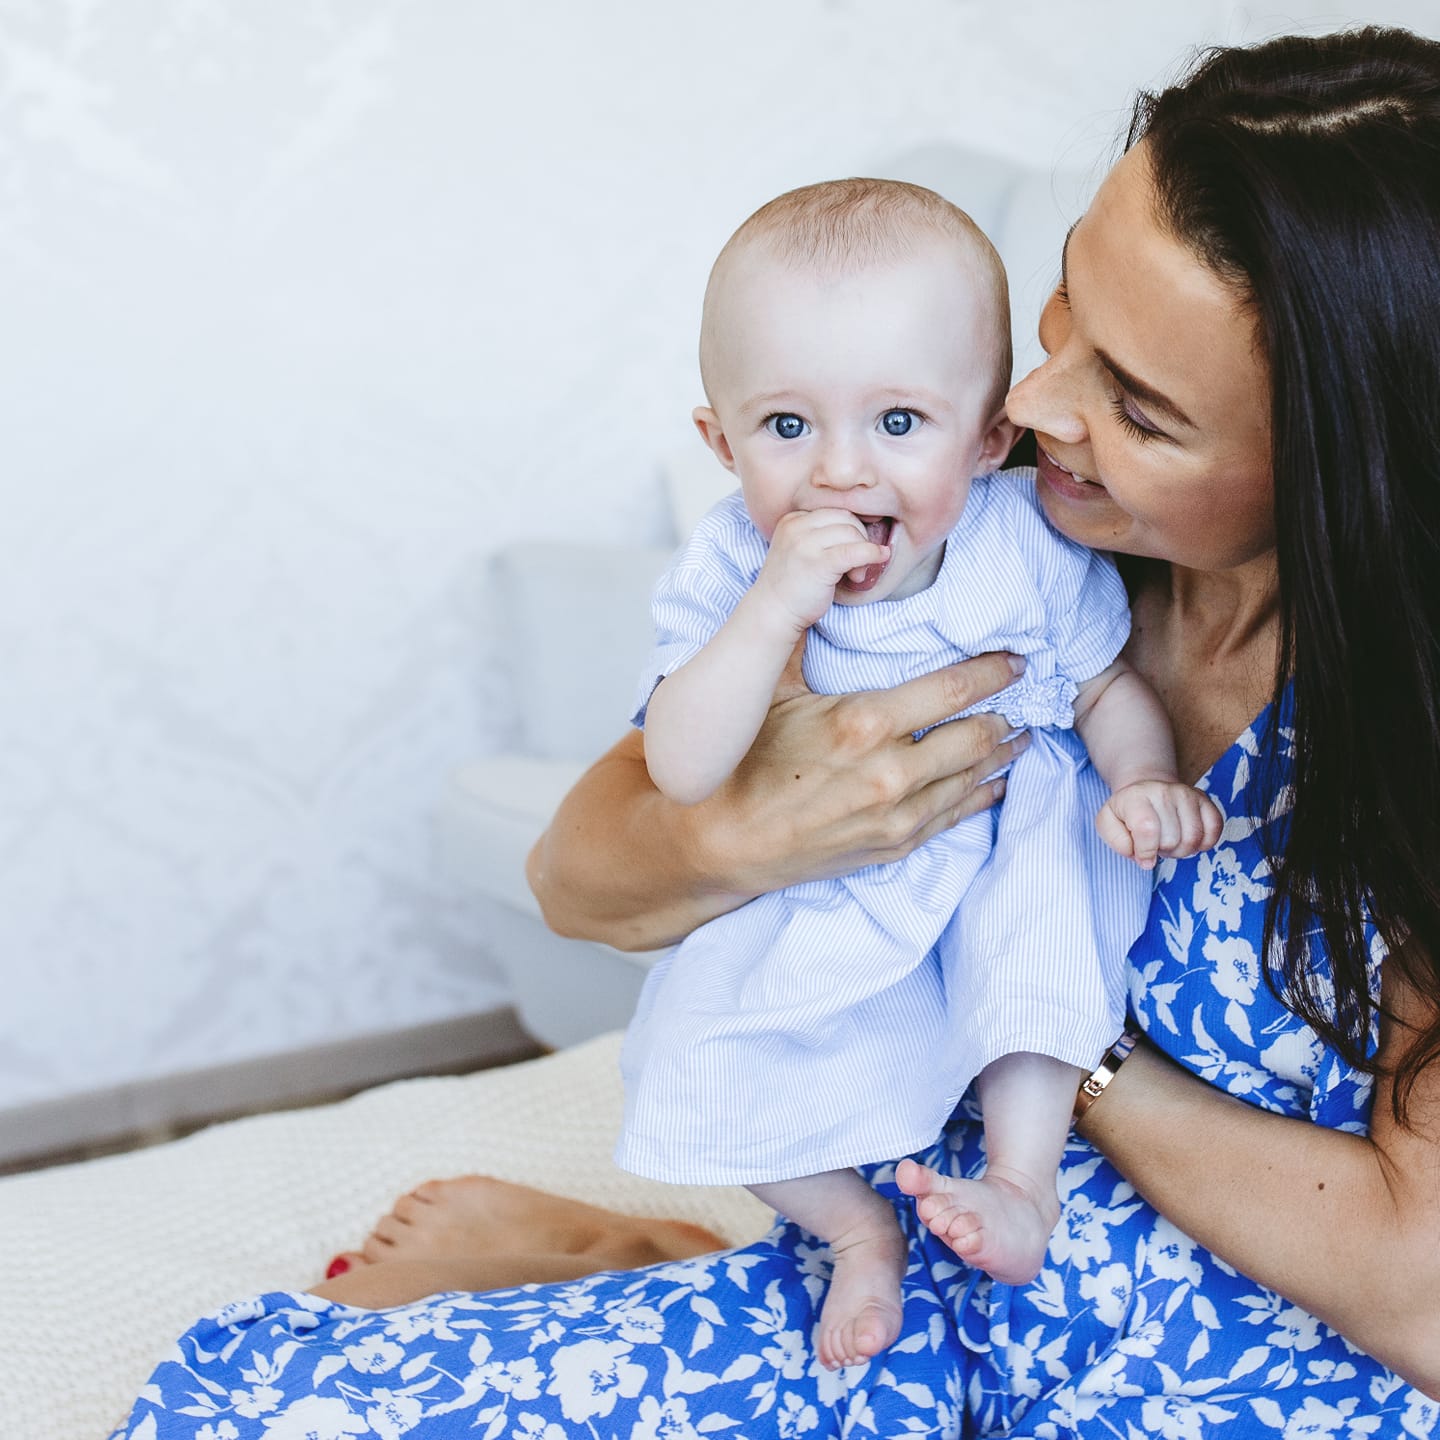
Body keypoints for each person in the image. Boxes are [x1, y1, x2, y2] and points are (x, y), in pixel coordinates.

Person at [111, 25, 1440, 1438]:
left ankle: (642, 1255)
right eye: (1064, 307)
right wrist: (763, 825)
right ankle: (671, 1258)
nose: (1030, 403)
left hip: (1224, 1360)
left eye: (1141, 408)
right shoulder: (972, 536)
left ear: (1342, 474)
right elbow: (577, 878)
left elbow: (1417, 1290)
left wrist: (1055, 1026)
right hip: (916, 1278)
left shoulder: (1396, 727)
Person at [618, 177, 1220, 1371]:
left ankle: (1020, 1183)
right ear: (720, 441)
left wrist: (1143, 779)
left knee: (1037, 971)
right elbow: (681, 767)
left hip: (1005, 841)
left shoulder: (1024, 539)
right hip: (830, 881)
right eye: (786, 427)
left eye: (899, 422)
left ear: (990, 439)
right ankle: (856, 1230)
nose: (842, 472)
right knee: (699, 1057)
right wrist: (772, 609)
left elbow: (1101, 685)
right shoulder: (731, 562)